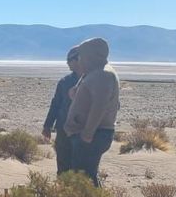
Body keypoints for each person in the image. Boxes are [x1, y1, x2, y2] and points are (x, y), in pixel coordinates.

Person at [64, 37, 120, 186]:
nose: (80, 60)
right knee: (86, 174)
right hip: (91, 134)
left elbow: (99, 106)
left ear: (91, 56)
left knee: (84, 177)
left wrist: (87, 133)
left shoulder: (102, 74)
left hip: (94, 135)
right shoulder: (95, 73)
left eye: (82, 56)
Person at [42, 46, 82, 175]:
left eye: (70, 60)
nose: (67, 63)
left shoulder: (92, 81)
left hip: (83, 131)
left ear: (78, 59)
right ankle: (62, 192)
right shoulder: (65, 82)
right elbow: (55, 105)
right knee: (63, 164)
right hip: (63, 129)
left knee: (82, 168)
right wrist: (47, 125)